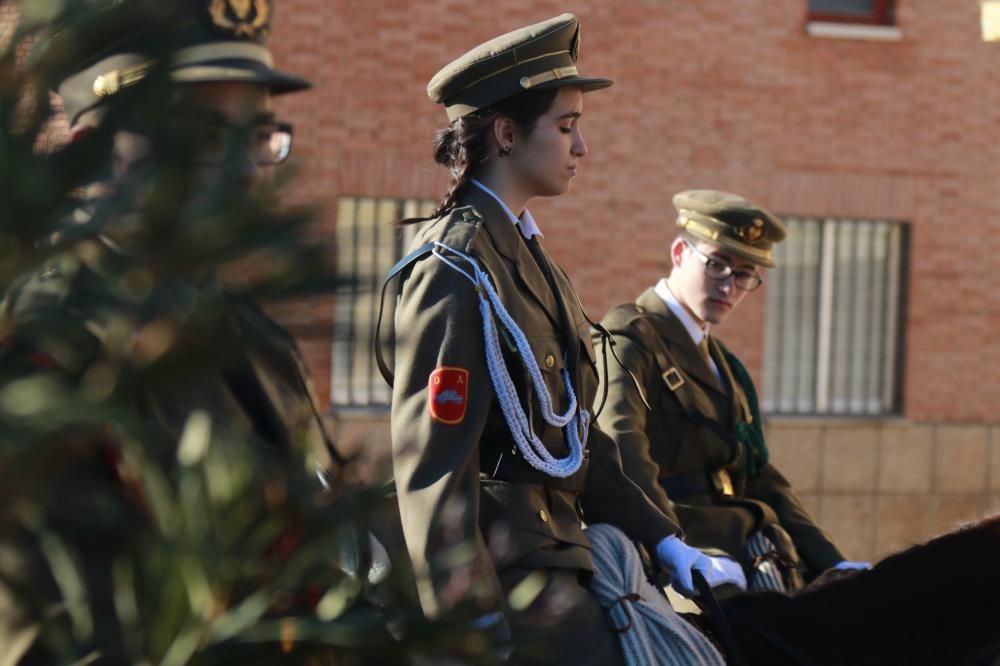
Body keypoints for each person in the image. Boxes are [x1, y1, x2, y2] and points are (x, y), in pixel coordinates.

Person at [377, 15, 745, 664]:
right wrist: (471, 630)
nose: (582, 149)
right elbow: (433, 469)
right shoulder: (456, 267)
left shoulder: (532, 261)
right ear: (506, 133)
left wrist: (667, 544)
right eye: (567, 128)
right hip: (509, 578)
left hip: (568, 555)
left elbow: (571, 439)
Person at [0, 0, 341, 661]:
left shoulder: (258, 336)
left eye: (259, 135)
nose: (247, 168)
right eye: (206, 136)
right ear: (92, 148)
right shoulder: (46, 345)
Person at [596, 189, 870, 593]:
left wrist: (834, 563)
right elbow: (620, 447)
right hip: (678, 546)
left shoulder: (721, 361)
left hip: (746, 540)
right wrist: (670, 547)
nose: (729, 286)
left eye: (744, 274)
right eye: (718, 264)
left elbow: (757, 474)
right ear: (678, 253)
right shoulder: (630, 337)